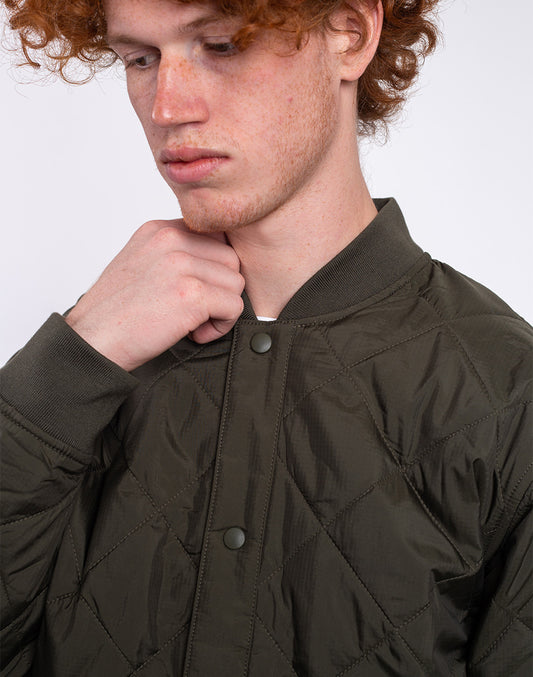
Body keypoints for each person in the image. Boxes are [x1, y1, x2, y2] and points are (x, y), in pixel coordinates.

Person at [0, 0, 531, 675]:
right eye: (140, 58)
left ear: (349, 34)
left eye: (221, 45)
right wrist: (70, 365)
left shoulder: (507, 387)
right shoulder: (93, 352)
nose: (167, 107)